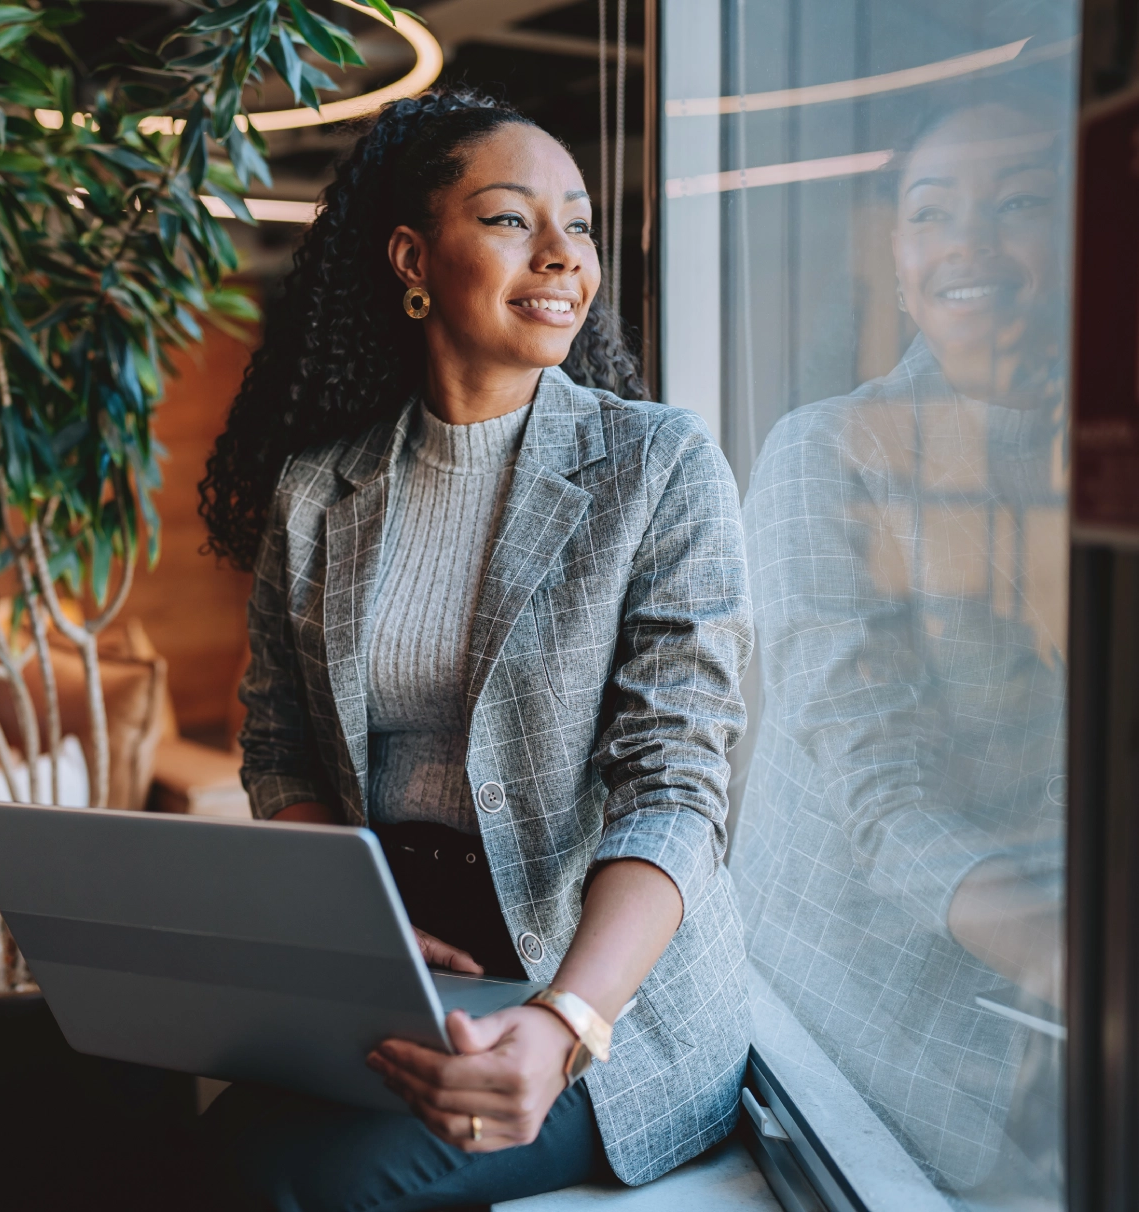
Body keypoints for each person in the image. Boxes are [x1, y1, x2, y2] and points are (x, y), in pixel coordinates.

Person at [198, 89, 753, 1211]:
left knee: (311, 1187)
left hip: (602, 1002)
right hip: (398, 974)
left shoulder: (658, 468)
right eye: (510, 220)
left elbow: (676, 786)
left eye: (581, 224)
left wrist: (562, 1024)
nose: (561, 255)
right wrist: (365, 929)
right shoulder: (320, 490)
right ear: (413, 257)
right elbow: (282, 750)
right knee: (209, 1150)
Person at [731, 90, 1068, 1197]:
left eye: (1017, 202)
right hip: (865, 1018)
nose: (969, 243)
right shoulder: (826, 452)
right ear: (894, 252)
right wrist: (1071, 957)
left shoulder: (1096, 454)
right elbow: (880, 796)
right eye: (931, 212)